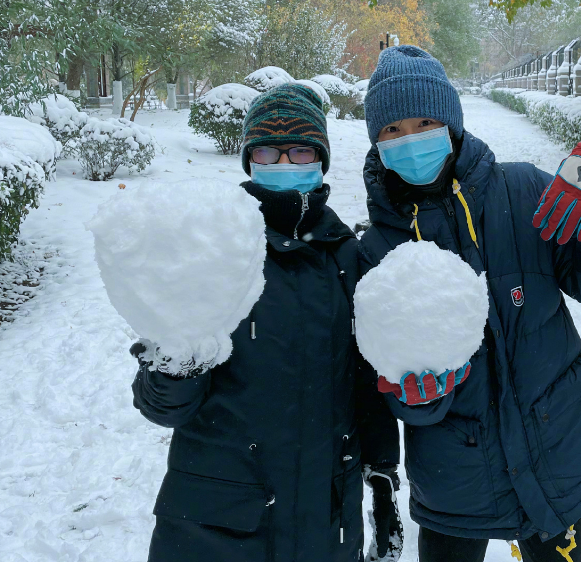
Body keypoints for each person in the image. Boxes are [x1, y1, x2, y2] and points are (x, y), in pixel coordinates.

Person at [357, 46, 581, 562]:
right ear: (376, 141)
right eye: (392, 130)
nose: (410, 139)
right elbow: (388, 386)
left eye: (424, 121)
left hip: (557, 452)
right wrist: (417, 398)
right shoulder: (376, 252)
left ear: (452, 123)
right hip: (453, 479)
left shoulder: (525, 190)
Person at [131, 83, 403, 562]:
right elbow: (164, 408)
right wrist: (173, 360)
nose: (284, 164)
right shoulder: (212, 248)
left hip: (326, 518)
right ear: (248, 159)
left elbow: (367, 381)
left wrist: (382, 475)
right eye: (268, 151)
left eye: (300, 151)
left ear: (320, 159)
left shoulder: (348, 257)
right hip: (218, 522)